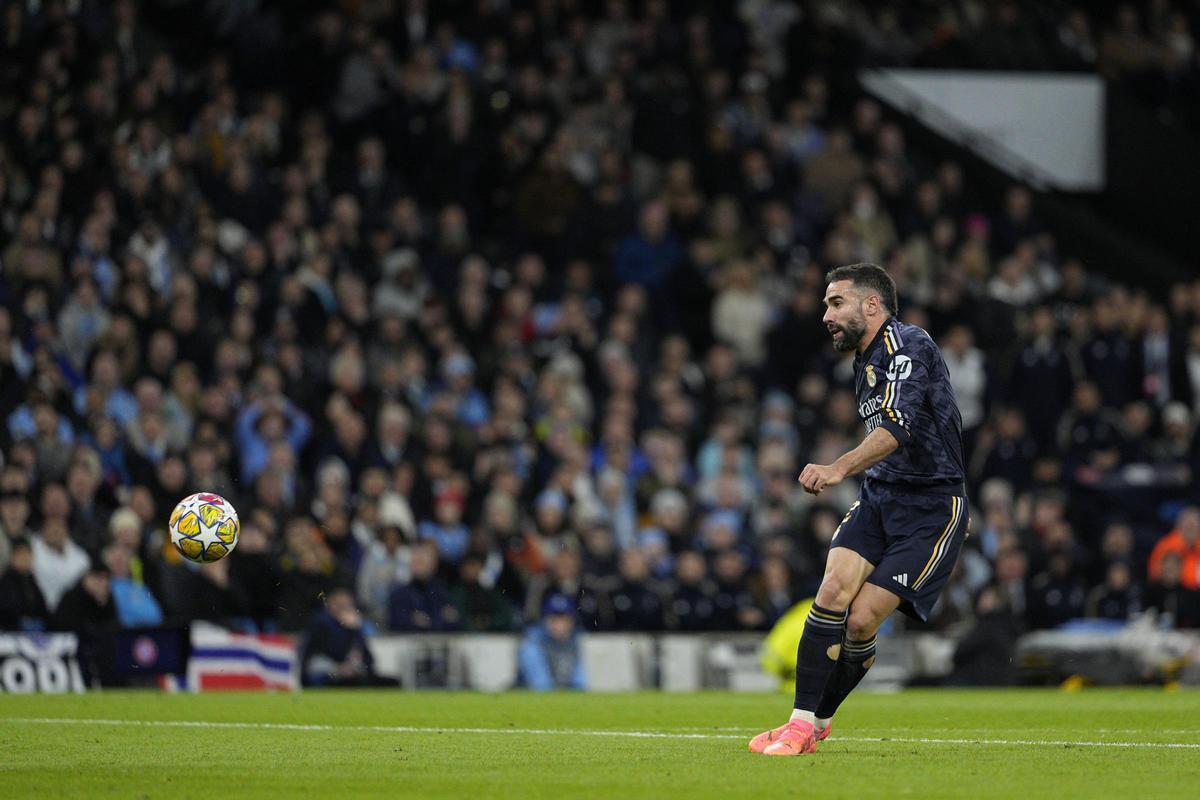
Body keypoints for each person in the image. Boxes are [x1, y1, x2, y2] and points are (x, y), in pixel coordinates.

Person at [751, 263, 969, 756]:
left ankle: (820, 719)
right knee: (831, 589)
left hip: (933, 506)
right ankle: (799, 724)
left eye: (835, 303)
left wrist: (837, 468)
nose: (825, 314)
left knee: (862, 621)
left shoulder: (909, 344)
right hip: (880, 497)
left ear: (871, 305)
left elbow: (896, 427)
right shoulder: (863, 358)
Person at [301, 587, 396, 687]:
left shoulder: (354, 624)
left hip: (348, 668)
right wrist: (350, 630)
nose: (344, 609)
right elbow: (333, 651)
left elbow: (367, 656)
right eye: (340, 605)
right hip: (326, 666)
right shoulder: (321, 622)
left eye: (347, 605)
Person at [518, 593, 586, 691]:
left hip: (560, 698)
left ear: (572, 621)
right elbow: (541, 685)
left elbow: (580, 684)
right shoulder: (532, 644)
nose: (558, 624)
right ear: (544, 620)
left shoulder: (574, 643)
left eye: (563, 619)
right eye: (553, 619)